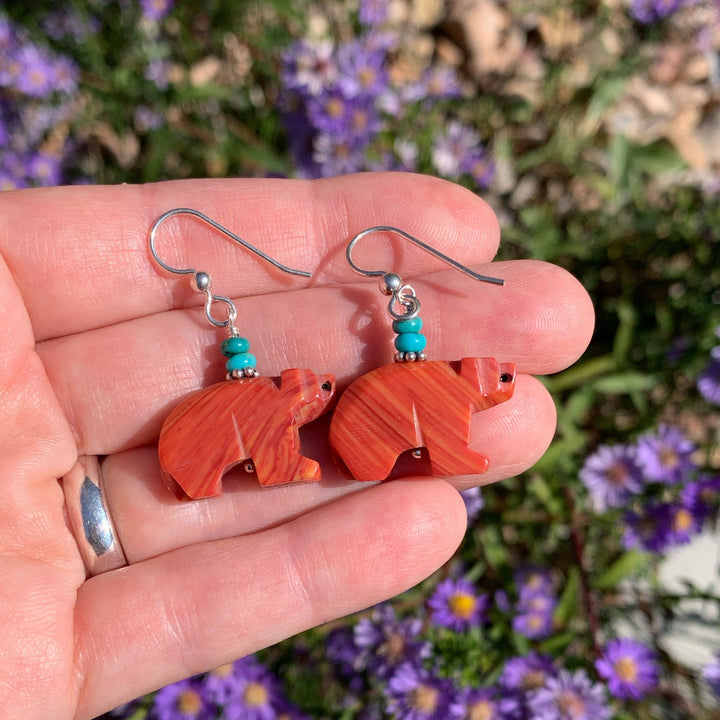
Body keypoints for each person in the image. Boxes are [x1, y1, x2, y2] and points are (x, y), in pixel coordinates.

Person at [0, 172, 594, 720]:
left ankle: (207, 476)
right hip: (230, 451)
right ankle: (201, 478)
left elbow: (285, 448)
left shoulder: (411, 389)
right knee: (234, 458)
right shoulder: (280, 405)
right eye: (314, 392)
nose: (319, 401)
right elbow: (280, 451)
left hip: (326, 440)